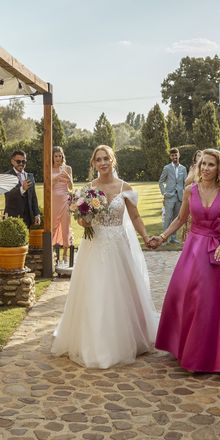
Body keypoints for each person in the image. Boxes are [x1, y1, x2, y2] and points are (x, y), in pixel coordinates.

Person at [51, 145, 158, 369]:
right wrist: (84, 219)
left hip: (119, 246)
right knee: (96, 291)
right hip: (95, 246)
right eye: (98, 160)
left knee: (121, 292)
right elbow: (82, 222)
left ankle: (125, 338)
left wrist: (146, 237)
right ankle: (97, 344)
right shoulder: (88, 190)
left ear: (113, 161)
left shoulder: (124, 187)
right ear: (93, 164)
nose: (103, 163)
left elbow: (136, 217)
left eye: (106, 159)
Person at [153, 149, 220, 373]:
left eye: (211, 164)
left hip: (219, 251)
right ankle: (188, 350)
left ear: (219, 167)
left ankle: (219, 354)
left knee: (217, 303)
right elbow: (181, 219)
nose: (206, 168)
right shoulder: (190, 190)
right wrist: (162, 237)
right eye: (203, 164)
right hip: (193, 249)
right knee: (191, 298)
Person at [158, 148, 187, 244]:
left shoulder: (183, 169)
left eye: (176, 155)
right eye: (172, 155)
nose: (175, 157)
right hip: (169, 196)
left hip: (179, 197)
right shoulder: (167, 168)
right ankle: (164, 238)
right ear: (170, 157)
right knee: (168, 217)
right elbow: (161, 181)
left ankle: (173, 238)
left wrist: (185, 196)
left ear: (179, 155)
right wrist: (164, 193)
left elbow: (185, 184)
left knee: (176, 218)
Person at [51, 146, 73, 264]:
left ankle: (65, 255)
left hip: (65, 200)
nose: (58, 158)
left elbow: (71, 188)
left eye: (60, 156)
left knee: (65, 226)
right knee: (53, 226)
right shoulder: (49, 168)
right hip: (54, 201)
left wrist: (69, 179)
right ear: (52, 157)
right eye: (56, 156)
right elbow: (48, 187)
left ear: (62, 156)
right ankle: (52, 254)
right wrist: (57, 178)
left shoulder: (68, 168)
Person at [181, 150, 202, 242]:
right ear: (195, 158)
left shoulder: (207, 168)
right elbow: (187, 182)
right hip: (194, 195)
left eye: (201, 155)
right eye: (198, 155)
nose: (200, 156)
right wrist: (196, 171)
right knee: (191, 219)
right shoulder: (193, 168)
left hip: (206, 196)